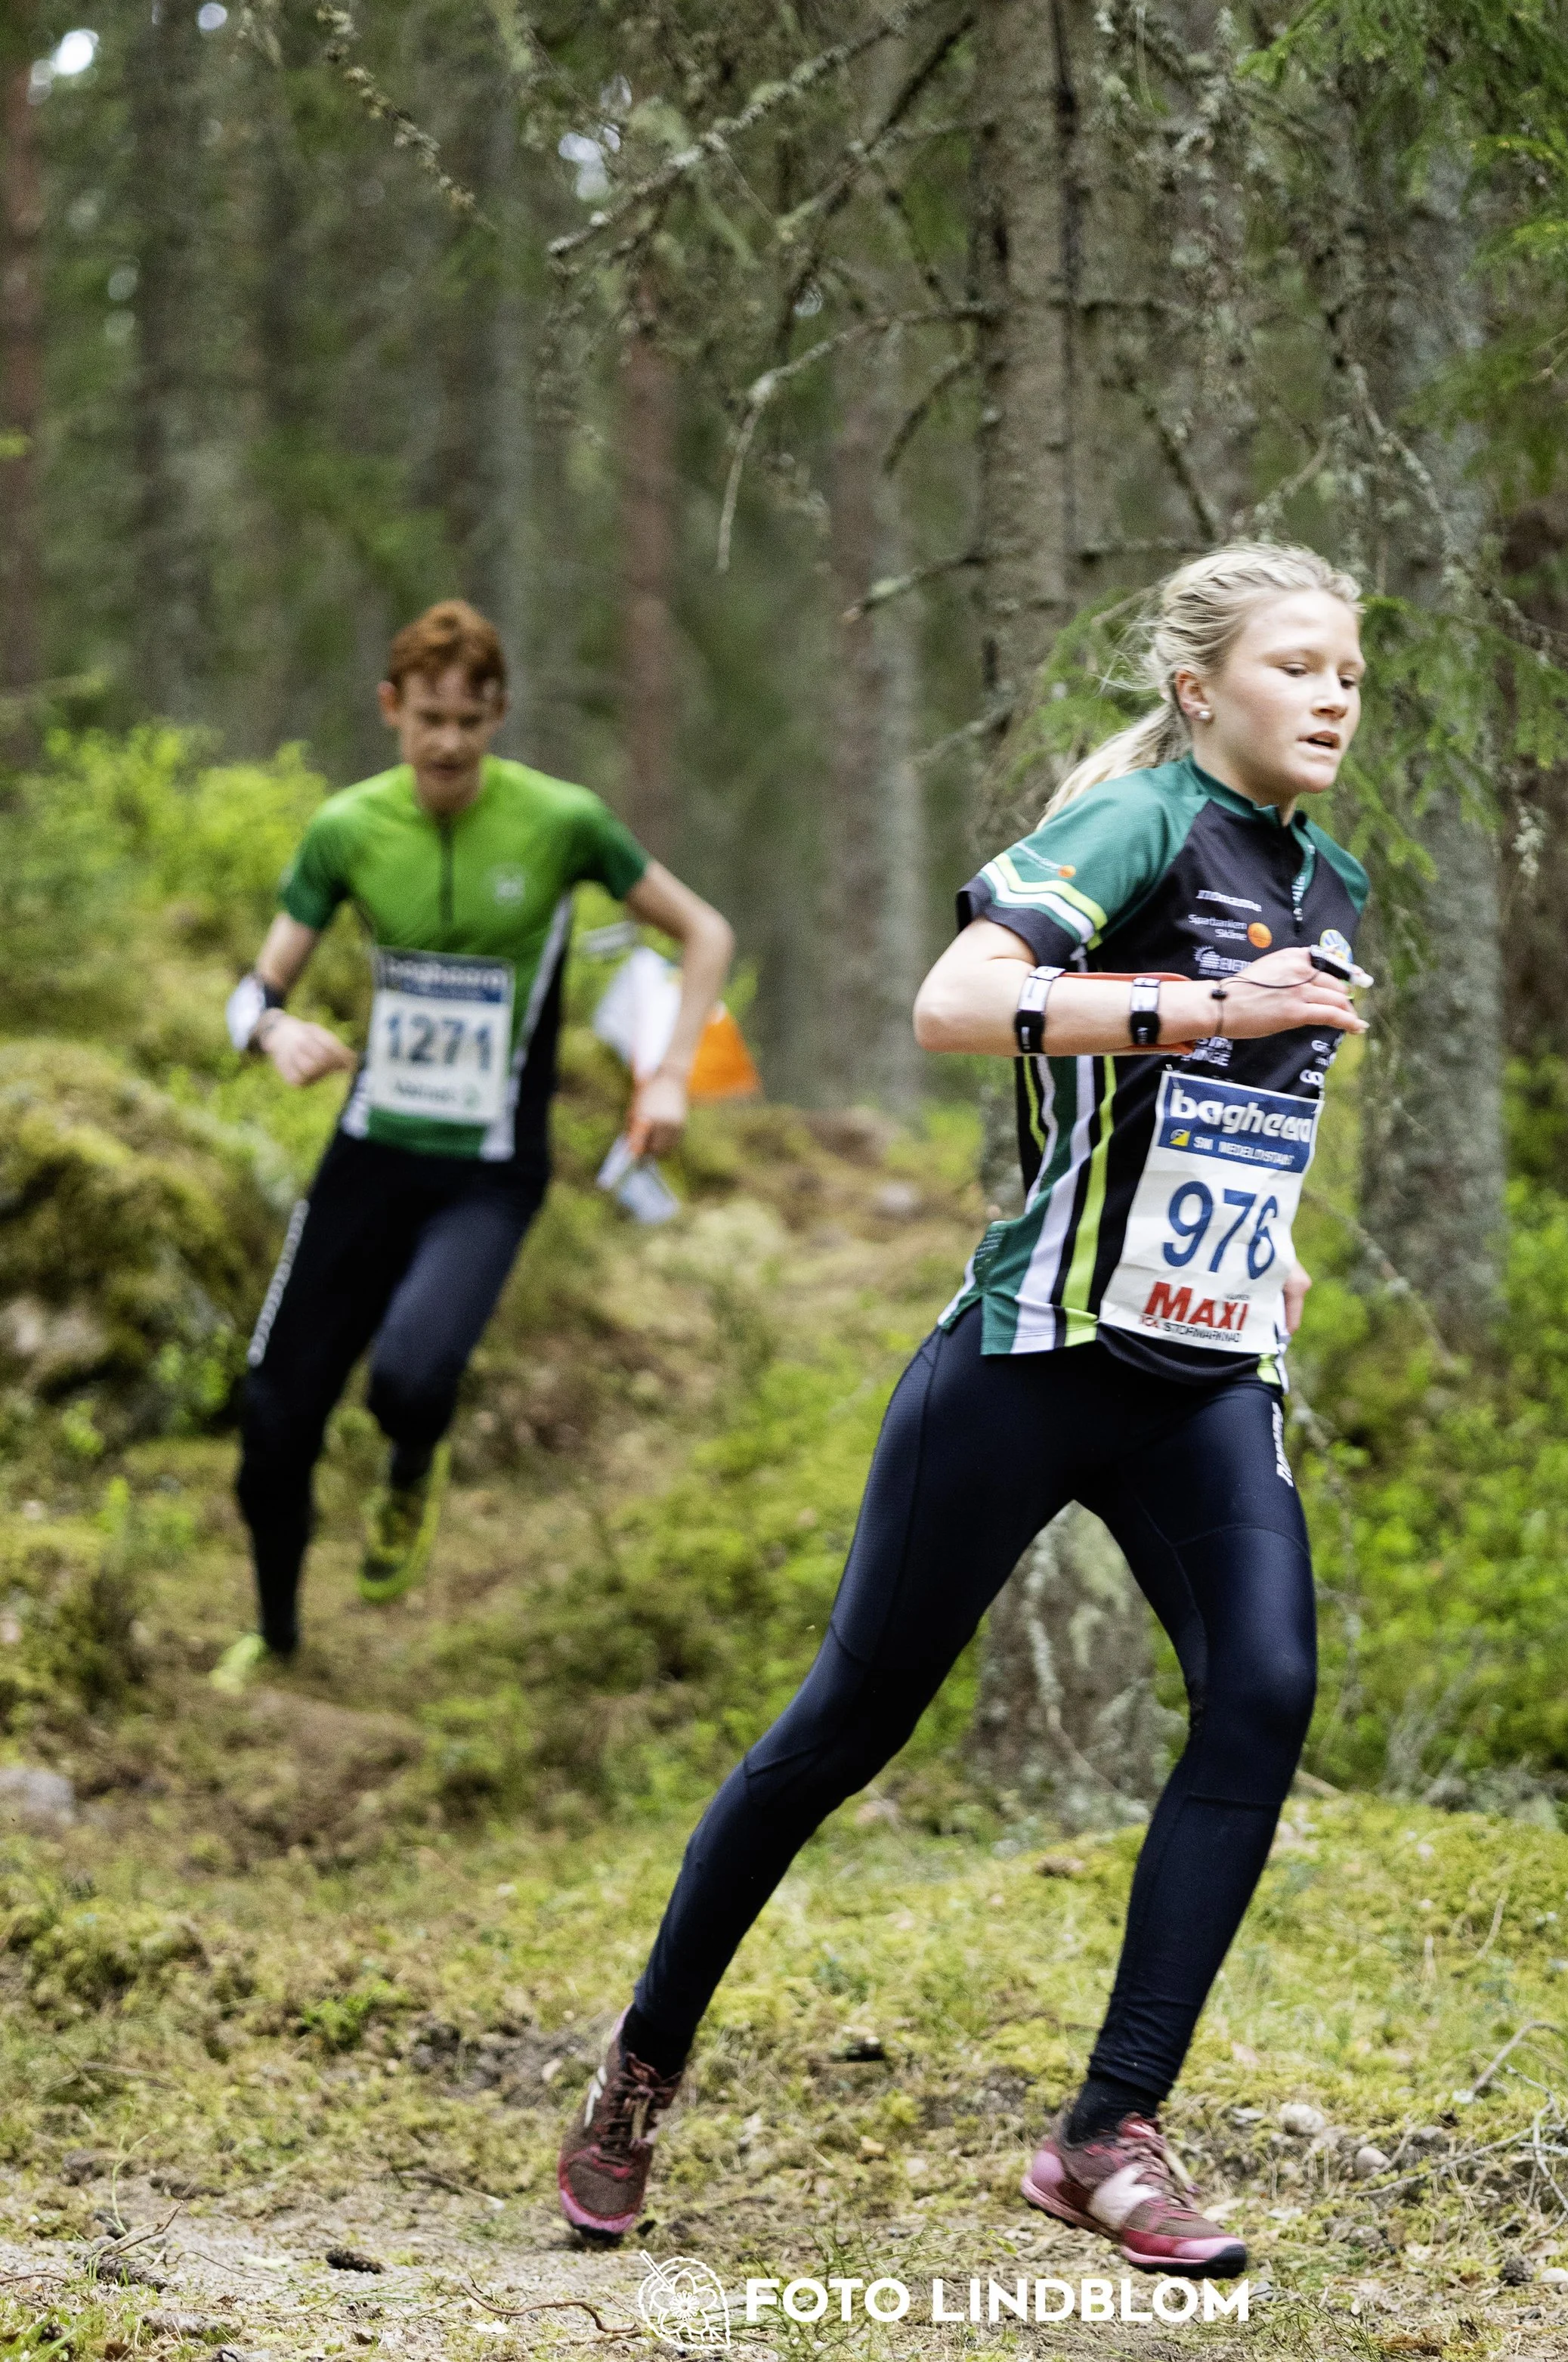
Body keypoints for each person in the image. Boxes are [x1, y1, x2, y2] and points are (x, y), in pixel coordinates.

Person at [556, 542, 1369, 2275]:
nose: (1329, 697)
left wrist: (1269, 1235)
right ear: (1197, 687)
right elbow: (954, 1004)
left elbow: (1234, 1110)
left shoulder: (1327, 877)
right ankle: (641, 2061)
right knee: (844, 1727)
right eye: (1294, 665)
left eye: (1347, 674)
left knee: (1261, 1690)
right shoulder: (1139, 823)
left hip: (1203, 1369)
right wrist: (1202, 1003)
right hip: (1029, 1358)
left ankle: (1105, 2133)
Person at [212, 600, 734, 1692]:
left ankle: (412, 1467)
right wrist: (272, 1031)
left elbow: (704, 931)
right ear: (390, 710)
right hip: (370, 1154)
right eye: (428, 720)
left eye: (469, 720)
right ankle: (277, 1636)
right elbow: (254, 991)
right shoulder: (348, 829)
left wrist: (669, 1073)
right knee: (274, 1415)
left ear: (499, 715)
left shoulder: (562, 821)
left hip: (489, 1173)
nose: (448, 744)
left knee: (410, 1379)